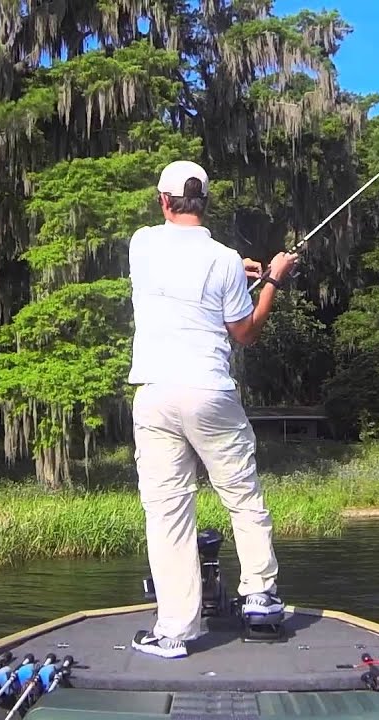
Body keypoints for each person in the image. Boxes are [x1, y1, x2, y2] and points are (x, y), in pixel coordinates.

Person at [126, 159, 298, 659]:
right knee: (242, 495)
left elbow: (184, 279)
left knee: (167, 511)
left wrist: (238, 272)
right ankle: (261, 597)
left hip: (156, 393)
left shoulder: (141, 243)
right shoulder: (225, 260)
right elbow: (243, 332)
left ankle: (176, 630)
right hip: (209, 391)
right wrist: (272, 280)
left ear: (163, 200)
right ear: (205, 202)